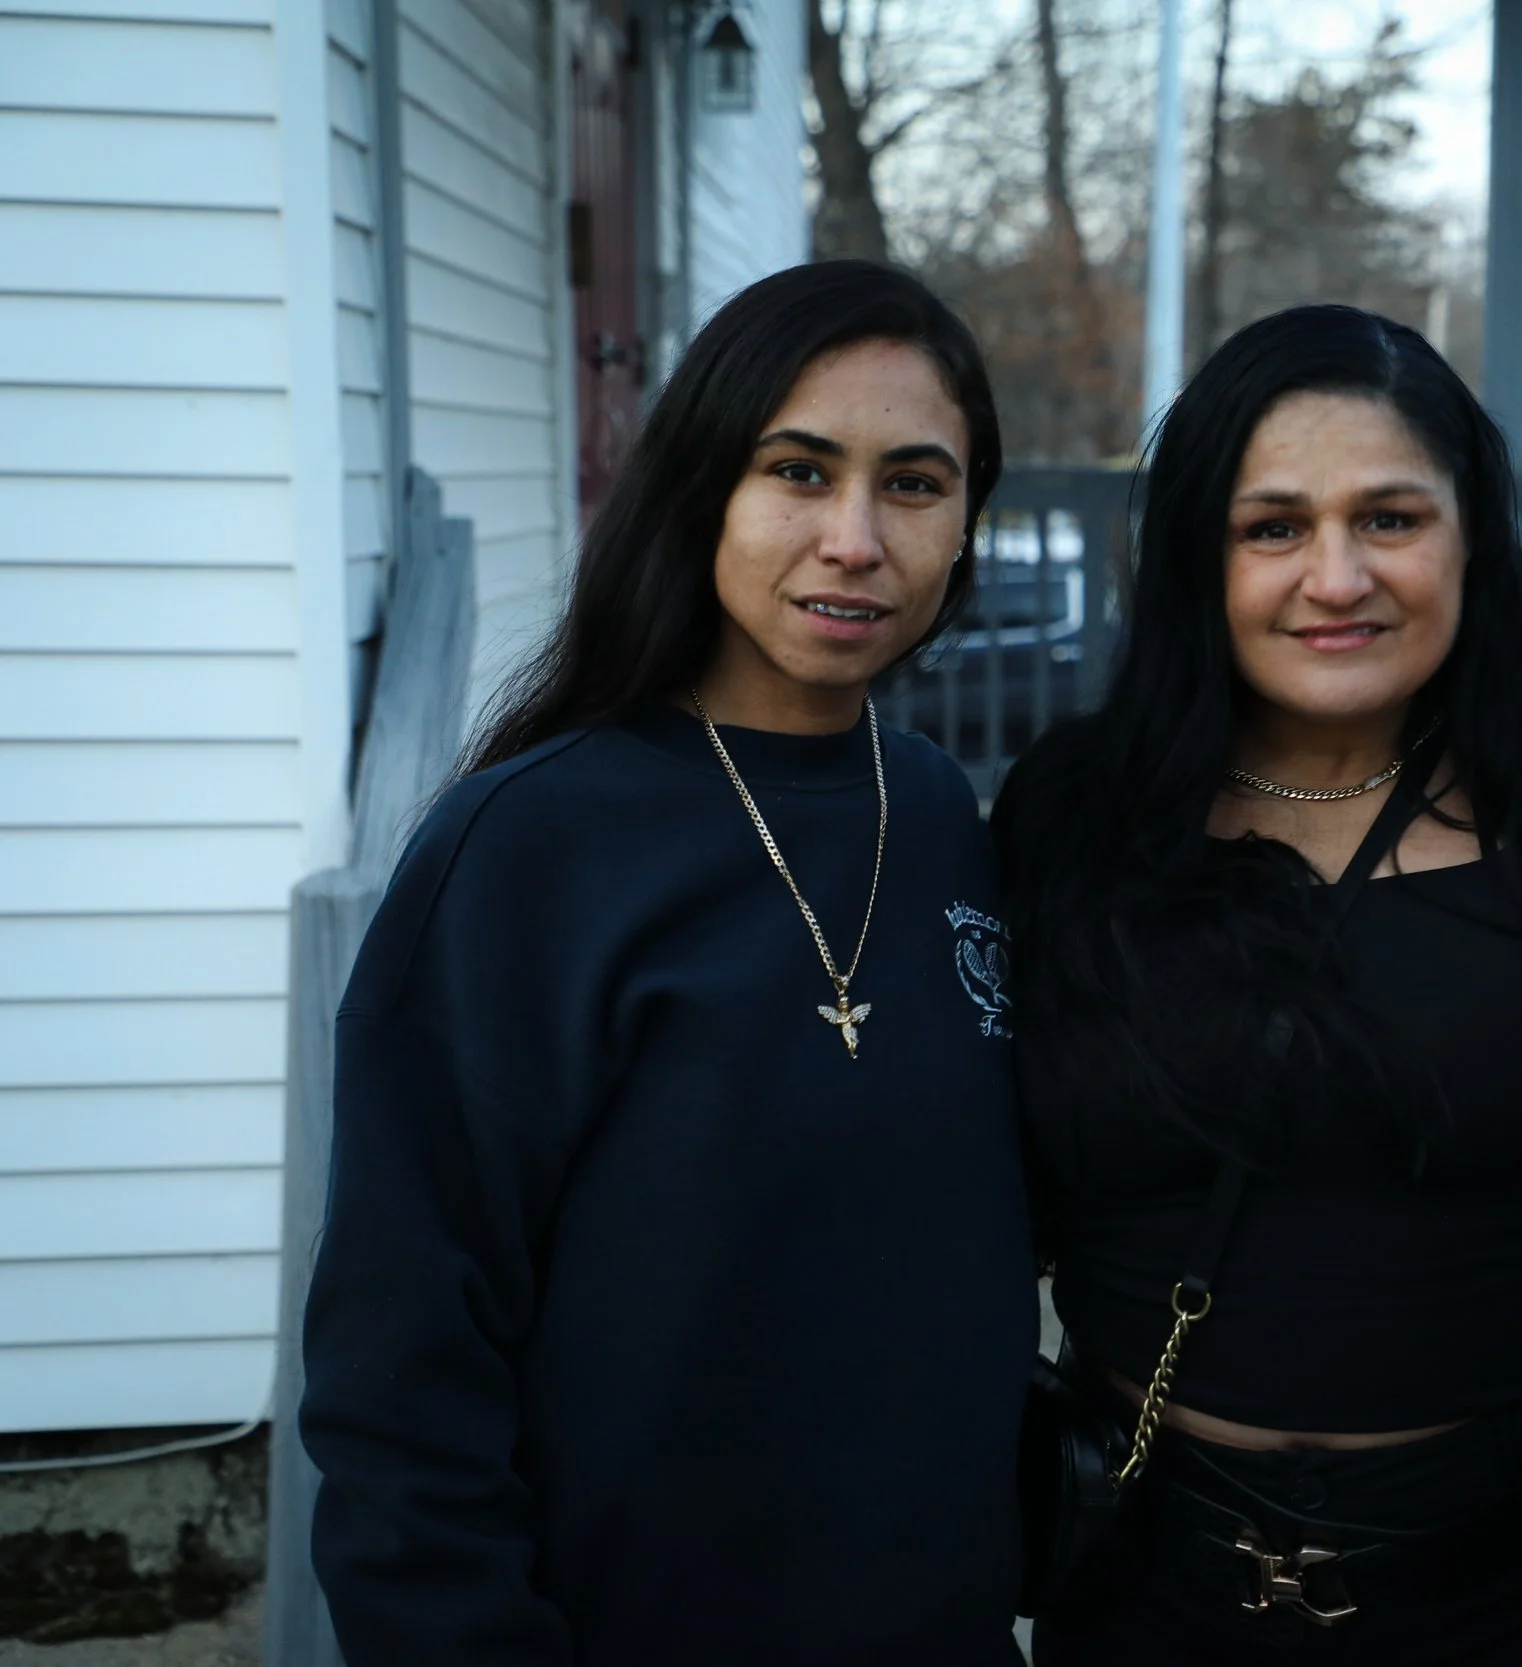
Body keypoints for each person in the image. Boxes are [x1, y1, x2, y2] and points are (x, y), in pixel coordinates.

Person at [298, 261, 1034, 1666]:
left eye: (917, 483)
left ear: (965, 524)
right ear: (704, 487)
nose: (856, 537)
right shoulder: (525, 847)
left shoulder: (940, 816)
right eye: (800, 471)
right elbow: (403, 1369)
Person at [994, 304, 1522, 1665]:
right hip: (1147, 1583)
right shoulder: (1075, 816)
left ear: (1471, 535)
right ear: (1197, 556)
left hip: (1507, 1584)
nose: (1336, 575)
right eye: (1273, 526)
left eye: (1391, 519)